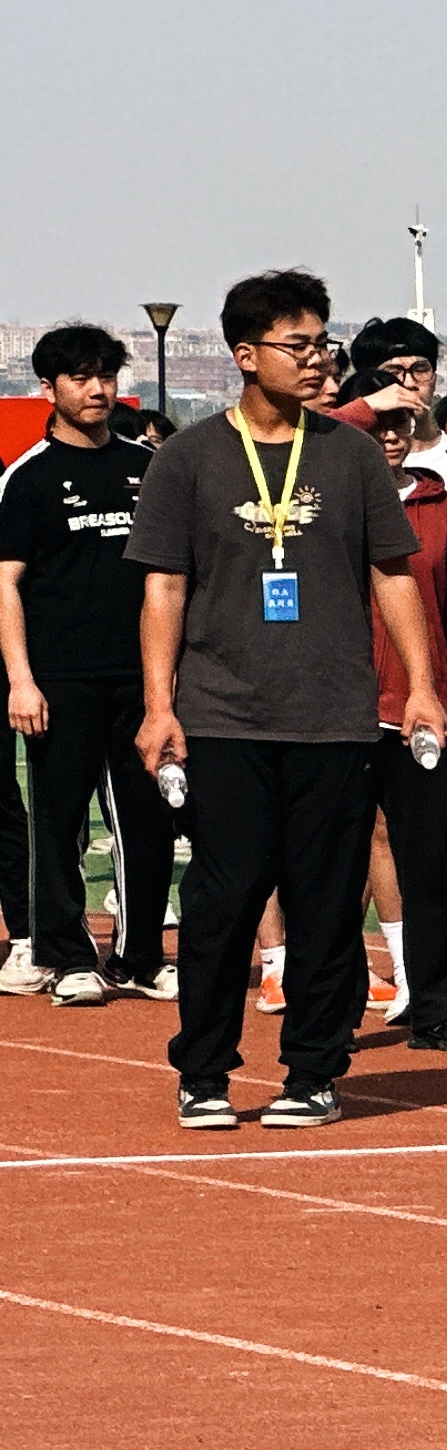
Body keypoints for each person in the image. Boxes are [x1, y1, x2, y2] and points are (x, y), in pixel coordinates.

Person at [131, 269, 446, 1129]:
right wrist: (159, 705)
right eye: (296, 345)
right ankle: (204, 1072)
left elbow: (393, 574)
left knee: (326, 902)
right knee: (224, 898)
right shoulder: (189, 458)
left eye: (322, 344)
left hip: (335, 718)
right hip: (222, 716)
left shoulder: (352, 455)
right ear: (245, 354)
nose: (316, 360)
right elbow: (163, 588)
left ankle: (313, 1070)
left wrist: (422, 687)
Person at [1, 324, 174, 1004]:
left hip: (141, 674)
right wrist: (21, 680)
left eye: (106, 375)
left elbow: (172, 576)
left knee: (146, 816)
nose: (97, 389)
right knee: (59, 818)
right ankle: (66, 955)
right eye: (81, 377)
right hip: (61, 677)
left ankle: (140, 956)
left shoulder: (148, 467)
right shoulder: (27, 478)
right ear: (49, 388)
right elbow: (5, 583)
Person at [338, 365, 447, 1049]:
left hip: (419, 714)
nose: (393, 435)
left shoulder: (439, 505)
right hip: (338, 713)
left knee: (427, 863)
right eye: (380, 423)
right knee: (334, 866)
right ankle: (331, 1010)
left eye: (403, 422)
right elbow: (312, 434)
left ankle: (440, 1010)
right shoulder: (323, 499)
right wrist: (365, 408)